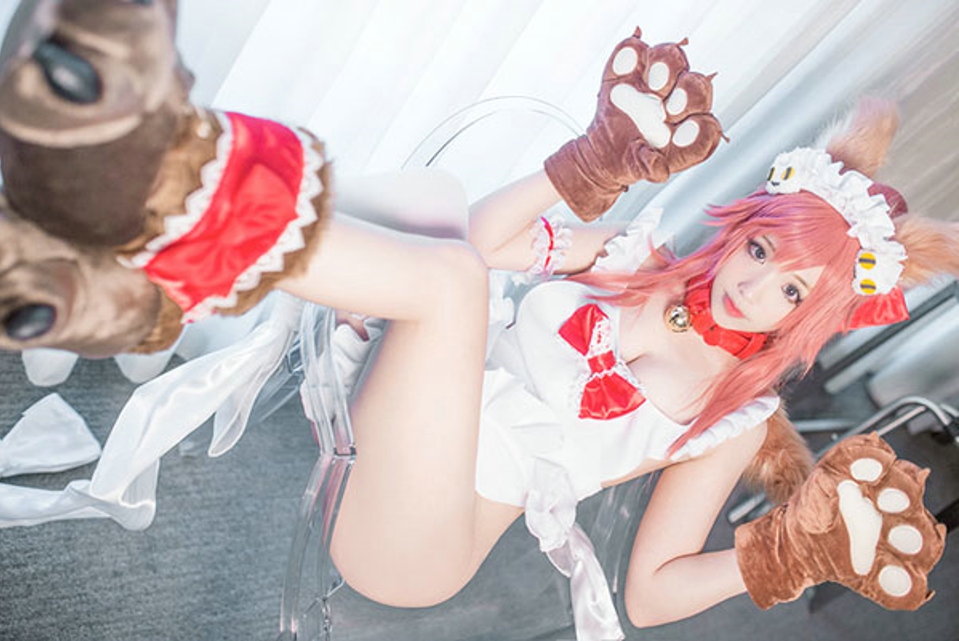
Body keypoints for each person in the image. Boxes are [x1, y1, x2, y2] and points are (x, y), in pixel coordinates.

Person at [271, 31, 952, 641]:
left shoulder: (735, 418)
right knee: (437, 207)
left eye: (792, 292)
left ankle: (241, 215)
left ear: (808, 318)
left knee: (453, 280)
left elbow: (650, 598)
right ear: (743, 228)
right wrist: (590, 163)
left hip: (416, 543)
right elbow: (474, 238)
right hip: (386, 422)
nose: (753, 288)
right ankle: (238, 219)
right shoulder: (634, 256)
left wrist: (789, 554)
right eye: (761, 250)